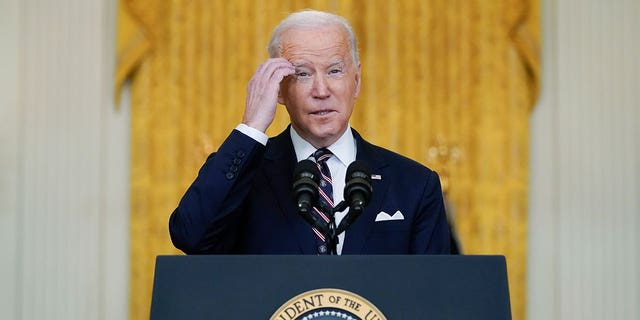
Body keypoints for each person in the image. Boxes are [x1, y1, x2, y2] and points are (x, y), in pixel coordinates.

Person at [169, 10, 451, 255]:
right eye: (302, 74)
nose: (321, 90)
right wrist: (251, 128)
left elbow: (434, 294)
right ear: (278, 89)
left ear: (357, 80)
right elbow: (191, 237)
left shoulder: (415, 185)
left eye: (335, 71)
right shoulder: (244, 176)